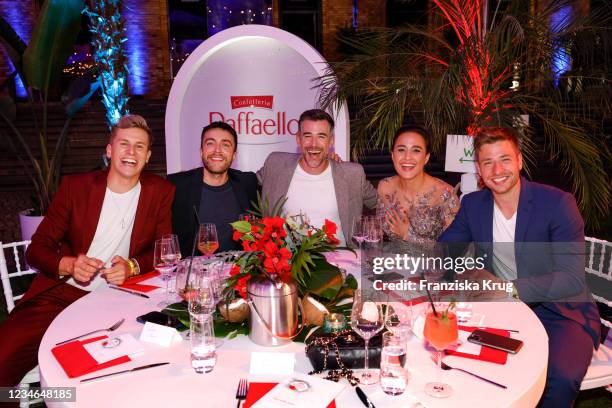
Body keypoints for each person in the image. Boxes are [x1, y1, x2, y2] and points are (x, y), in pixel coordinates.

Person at [0, 114, 175, 389]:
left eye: (139, 146)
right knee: (3, 360)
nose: (131, 152)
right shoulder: (76, 187)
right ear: (109, 150)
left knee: (133, 369)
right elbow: (36, 250)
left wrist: (131, 267)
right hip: (60, 295)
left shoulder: (160, 191)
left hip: (121, 298)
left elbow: (163, 249)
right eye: (124, 144)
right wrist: (68, 264)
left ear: (148, 155)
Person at [439, 126, 600, 407]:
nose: (497, 169)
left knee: (560, 376)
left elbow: (571, 278)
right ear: (478, 169)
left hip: (560, 310)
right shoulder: (473, 204)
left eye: (504, 159)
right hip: (501, 309)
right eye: (487, 162)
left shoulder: (557, 203)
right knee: (474, 367)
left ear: (519, 161)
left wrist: (508, 288)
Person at [257, 109, 377, 246]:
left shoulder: (352, 174)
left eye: (321, 136)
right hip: (287, 263)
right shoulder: (275, 164)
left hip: (341, 262)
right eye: (307, 136)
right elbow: (244, 185)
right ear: (298, 139)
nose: (313, 144)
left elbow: (381, 205)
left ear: (331, 141)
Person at [168, 121, 258, 256]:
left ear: (234, 154)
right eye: (210, 143)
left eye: (225, 145)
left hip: (238, 271)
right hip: (193, 273)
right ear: (201, 151)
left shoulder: (248, 182)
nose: (217, 150)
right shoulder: (177, 185)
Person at [377, 126, 459, 244]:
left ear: (426, 157)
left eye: (416, 150)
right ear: (392, 155)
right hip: (391, 260)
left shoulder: (445, 194)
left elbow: (454, 250)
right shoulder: (385, 187)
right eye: (401, 150)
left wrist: (407, 234)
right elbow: (377, 234)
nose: (407, 157)